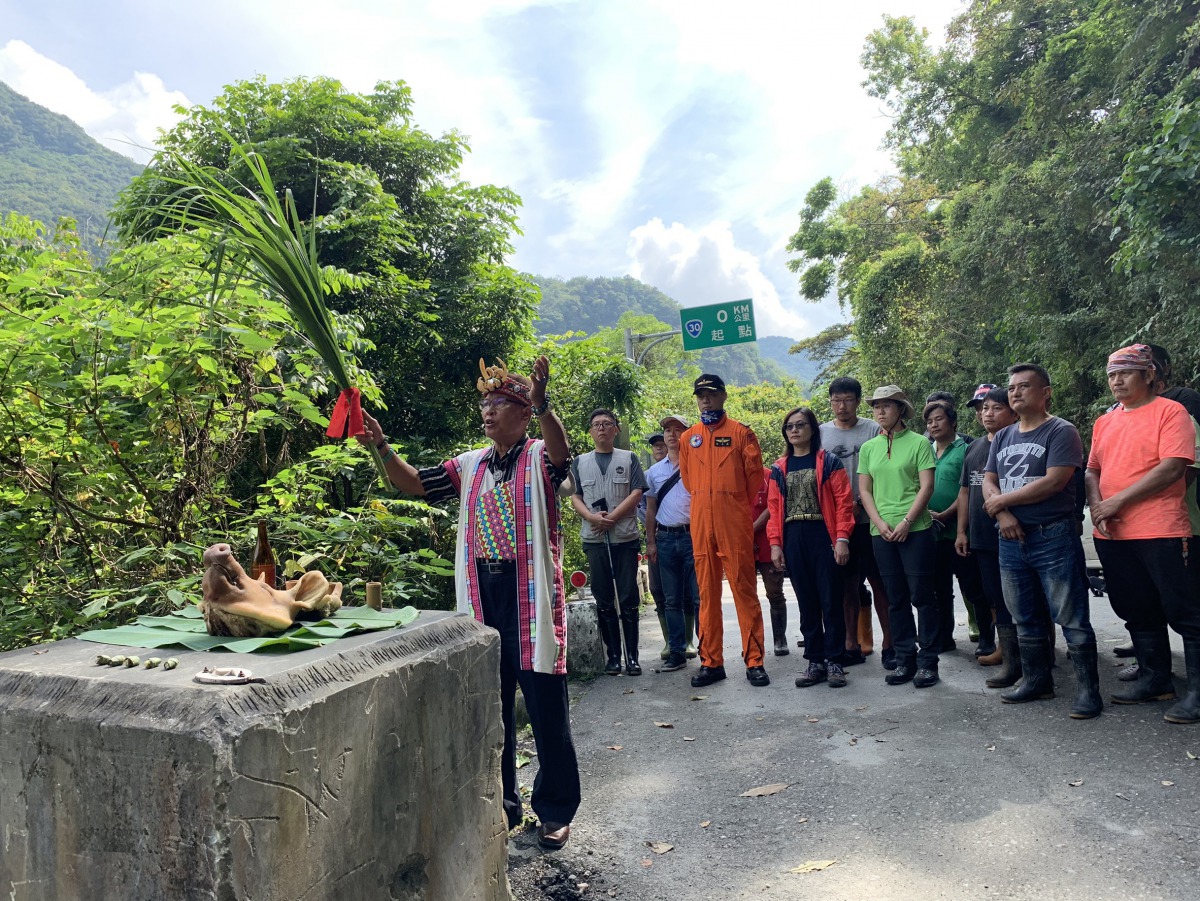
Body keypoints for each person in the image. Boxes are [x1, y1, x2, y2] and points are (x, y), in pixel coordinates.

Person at [357, 355, 579, 850]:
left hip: (530, 596)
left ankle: (556, 810)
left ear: (523, 413)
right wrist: (381, 446)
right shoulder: (470, 463)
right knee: (490, 705)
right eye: (485, 404)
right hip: (483, 592)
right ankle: (501, 802)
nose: (488, 411)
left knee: (546, 706)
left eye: (499, 403)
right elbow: (414, 483)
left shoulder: (540, 455)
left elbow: (564, 454)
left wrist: (546, 405)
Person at [1086, 344, 1199, 724]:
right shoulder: (1106, 421)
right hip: (1114, 534)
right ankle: (1156, 680)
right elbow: (1092, 470)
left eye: (1126, 373)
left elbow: (1173, 468)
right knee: (1136, 608)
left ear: (1149, 375)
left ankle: (1197, 693)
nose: (1116, 381)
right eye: (1111, 374)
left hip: (1161, 528)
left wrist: (1115, 503)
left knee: (1184, 610)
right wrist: (1100, 507)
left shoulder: (1172, 412)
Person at [983, 363, 1102, 719]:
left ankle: (1088, 691)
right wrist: (1002, 513)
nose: (1015, 392)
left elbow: (1056, 481)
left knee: (1071, 615)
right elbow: (989, 481)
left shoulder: (1061, 431)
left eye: (1024, 386)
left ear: (1046, 392)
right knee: (1024, 613)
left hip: (1053, 534)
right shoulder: (1003, 436)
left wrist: (1003, 501)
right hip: (1010, 538)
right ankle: (1037, 680)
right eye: (1012, 387)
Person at [679, 373, 770, 688]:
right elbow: (689, 481)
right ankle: (711, 662)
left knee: (744, 591)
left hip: (734, 522)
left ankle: (754, 662)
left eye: (711, 394)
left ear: (724, 396)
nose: (706, 399)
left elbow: (754, 479)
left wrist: (727, 500)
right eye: (701, 395)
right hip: (702, 524)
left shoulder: (742, 434)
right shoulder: (688, 437)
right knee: (706, 594)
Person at [858, 385, 941, 687]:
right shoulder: (869, 448)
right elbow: (864, 490)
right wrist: (879, 523)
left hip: (916, 530)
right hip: (881, 533)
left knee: (922, 596)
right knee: (895, 598)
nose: (880, 411)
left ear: (901, 409)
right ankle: (905, 659)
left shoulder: (920, 443)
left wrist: (907, 521)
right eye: (876, 406)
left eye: (887, 406)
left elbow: (926, 487)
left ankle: (928, 662)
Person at [767, 407, 855, 687]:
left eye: (800, 425)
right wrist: (775, 545)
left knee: (831, 600)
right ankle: (815, 661)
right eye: (789, 426)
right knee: (806, 601)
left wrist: (842, 538)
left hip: (823, 535)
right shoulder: (779, 468)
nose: (794, 430)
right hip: (793, 535)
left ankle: (835, 662)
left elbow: (843, 502)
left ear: (812, 429)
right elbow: (773, 509)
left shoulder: (829, 462)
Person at [820, 377, 893, 669]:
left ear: (857, 401)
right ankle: (851, 644)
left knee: (880, 583)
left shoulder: (874, 429)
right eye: (836, 400)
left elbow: (886, 470)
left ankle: (890, 644)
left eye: (848, 400)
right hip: (839, 524)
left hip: (871, 520)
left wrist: (863, 502)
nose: (842, 406)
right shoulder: (822, 433)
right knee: (847, 586)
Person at [570, 409, 648, 676]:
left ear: (616, 429)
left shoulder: (629, 458)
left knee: (628, 599)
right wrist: (592, 516)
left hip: (624, 537)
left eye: (607, 424)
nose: (601, 428)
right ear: (590, 431)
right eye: (596, 425)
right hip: (594, 538)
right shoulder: (580, 462)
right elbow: (575, 495)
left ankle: (633, 658)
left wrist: (613, 517)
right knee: (603, 599)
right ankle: (613, 656)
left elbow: (637, 491)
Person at [957, 386, 1023, 687]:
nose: (987, 413)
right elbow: (966, 491)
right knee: (995, 595)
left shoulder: (1022, 440)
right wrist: (962, 530)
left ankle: (1041, 651)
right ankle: (1006, 652)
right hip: (982, 535)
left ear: (1012, 409)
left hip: (1016, 531)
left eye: (995, 407)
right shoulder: (974, 448)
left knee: (1028, 597)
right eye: (982, 408)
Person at [925, 400, 989, 656]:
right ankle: (944, 638)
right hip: (933, 533)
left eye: (939, 419)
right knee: (940, 589)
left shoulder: (967, 449)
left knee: (973, 586)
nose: (933, 425)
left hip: (961, 530)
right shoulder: (925, 450)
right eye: (929, 421)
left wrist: (945, 514)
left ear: (952, 422)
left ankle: (987, 638)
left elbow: (968, 491)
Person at [645, 414, 699, 672]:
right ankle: (676, 651)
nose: (671, 434)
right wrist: (651, 542)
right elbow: (650, 509)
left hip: (694, 537)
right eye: (667, 430)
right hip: (665, 538)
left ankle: (709, 651)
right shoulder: (654, 472)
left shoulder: (698, 463)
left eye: (677, 430)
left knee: (700, 597)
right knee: (671, 599)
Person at [752, 464, 790, 655]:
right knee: (747, 596)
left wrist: (752, 529)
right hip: (742, 544)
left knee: (774, 592)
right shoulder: (732, 477)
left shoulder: (769, 475)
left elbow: (773, 505)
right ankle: (752, 643)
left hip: (768, 542)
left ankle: (780, 639)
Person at [641, 433, 670, 659]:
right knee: (658, 589)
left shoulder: (685, 469)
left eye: (662, 445)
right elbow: (642, 508)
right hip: (657, 536)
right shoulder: (648, 476)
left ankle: (687, 641)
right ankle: (669, 642)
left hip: (680, 534)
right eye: (655, 446)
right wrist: (652, 532)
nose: (658, 448)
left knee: (682, 593)